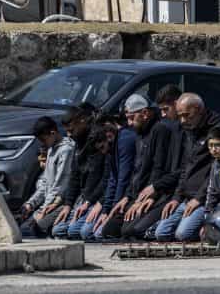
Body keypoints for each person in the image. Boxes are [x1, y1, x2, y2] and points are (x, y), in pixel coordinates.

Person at [100, 94, 181, 240]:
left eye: (132, 118)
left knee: (129, 231)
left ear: (145, 113)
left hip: (154, 192)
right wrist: (127, 197)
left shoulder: (159, 130)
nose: (129, 123)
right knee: (108, 230)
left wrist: (149, 197)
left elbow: (158, 168)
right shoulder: (140, 134)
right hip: (137, 194)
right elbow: (136, 170)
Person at [154, 93, 220, 241]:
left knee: (183, 234)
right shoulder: (191, 130)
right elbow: (185, 168)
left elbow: (218, 170)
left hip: (204, 199)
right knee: (161, 233)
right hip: (186, 198)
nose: (183, 120)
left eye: (187, 115)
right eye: (180, 116)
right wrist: (176, 197)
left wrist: (199, 198)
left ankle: (207, 226)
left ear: (198, 109)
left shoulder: (217, 131)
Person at [20, 116, 76, 238]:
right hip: (49, 203)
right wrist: (31, 204)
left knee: (32, 231)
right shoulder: (51, 149)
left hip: (60, 202)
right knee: (22, 229)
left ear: (53, 133)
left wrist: (43, 210)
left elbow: (60, 184)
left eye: (43, 139)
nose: (43, 143)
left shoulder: (66, 150)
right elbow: (45, 182)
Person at [52, 127, 111, 240]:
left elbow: (106, 181)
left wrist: (92, 202)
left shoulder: (105, 155)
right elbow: (74, 180)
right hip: (85, 201)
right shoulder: (80, 153)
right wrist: (68, 204)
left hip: (97, 200)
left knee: (81, 232)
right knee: (58, 230)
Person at [86, 113, 137, 241]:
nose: (103, 152)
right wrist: (106, 210)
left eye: (103, 147)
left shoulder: (124, 140)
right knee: (89, 231)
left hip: (131, 194)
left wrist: (112, 211)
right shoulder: (111, 147)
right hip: (121, 197)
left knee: (101, 232)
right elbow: (112, 180)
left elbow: (123, 179)